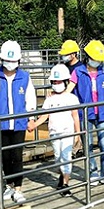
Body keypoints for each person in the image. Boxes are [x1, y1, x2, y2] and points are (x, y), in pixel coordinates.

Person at [0, 40, 37, 204]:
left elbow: (30, 99)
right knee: (5, 156)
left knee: (17, 155)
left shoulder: (25, 77)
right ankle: (9, 184)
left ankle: (18, 188)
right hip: (1, 122)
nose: (10, 64)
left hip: (19, 122)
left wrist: (31, 118)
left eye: (14, 61)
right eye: (8, 61)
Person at [70, 39, 104, 185]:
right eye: (95, 59)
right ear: (88, 56)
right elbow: (70, 89)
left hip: (102, 112)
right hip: (85, 113)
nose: (97, 62)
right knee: (88, 146)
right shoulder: (78, 72)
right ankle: (92, 173)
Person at [34, 64, 80, 196]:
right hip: (54, 132)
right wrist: (34, 125)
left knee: (66, 157)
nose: (56, 84)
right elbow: (44, 115)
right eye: (54, 81)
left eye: (58, 81)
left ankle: (66, 184)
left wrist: (77, 134)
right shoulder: (49, 99)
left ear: (65, 82)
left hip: (67, 132)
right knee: (58, 158)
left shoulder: (71, 98)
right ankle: (62, 176)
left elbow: (75, 116)